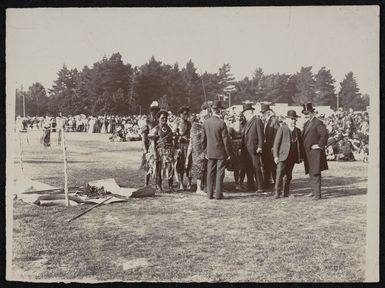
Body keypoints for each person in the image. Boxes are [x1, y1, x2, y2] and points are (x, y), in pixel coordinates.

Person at [202, 100, 232, 200]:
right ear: (219, 110)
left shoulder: (206, 123)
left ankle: (209, 194)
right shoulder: (221, 123)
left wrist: (205, 151)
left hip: (210, 152)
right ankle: (218, 194)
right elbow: (226, 141)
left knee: (210, 173)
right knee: (219, 174)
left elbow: (203, 140)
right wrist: (228, 154)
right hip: (220, 153)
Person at [273, 110, 304, 198]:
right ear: (287, 120)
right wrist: (275, 156)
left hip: (292, 156)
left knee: (288, 175)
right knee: (279, 174)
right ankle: (277, 192)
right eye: (291, 119)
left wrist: (300, 156)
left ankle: (285, 192)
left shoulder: (298, 131)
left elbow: (300, 145)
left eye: (294, 119)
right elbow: (276, 144)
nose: (293, 121)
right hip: (282, 156)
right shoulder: (282, 129)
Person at [301, 103, 328, 200]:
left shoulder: (318, 122)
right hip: (308, 153)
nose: (306, 115)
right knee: (310, 172)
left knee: (316, 173)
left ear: (312, 112)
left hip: (315, 152)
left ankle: (317, 194)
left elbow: (324, 135)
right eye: (304, 113)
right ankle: (313, 191)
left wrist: (319, 145)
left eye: (308, 113)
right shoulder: (307, 123)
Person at [185, 103, 210, 195]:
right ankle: (198, 188)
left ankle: (204, 186)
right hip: (198, 151)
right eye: (204, 117)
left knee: (204, 169)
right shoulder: (196, 126)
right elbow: (194, 142)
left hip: (204, 150)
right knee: (199, 168)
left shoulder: (204, 125)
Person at [149, 110, 175, 193]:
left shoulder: (169, 128)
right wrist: (155, 154)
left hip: (169, 152)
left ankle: (170, 186)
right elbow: (153, 142)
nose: (164, 119)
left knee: (171, 169)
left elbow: (172, 139)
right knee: (159, 169)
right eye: (162, 118)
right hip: (160, 151)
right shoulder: (156, 129)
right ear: (158, 119)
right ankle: (159, 186)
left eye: (166, 118)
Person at [241, 103, 264, 193]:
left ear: (250, 111)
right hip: (246, 149)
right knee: (248, 168)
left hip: (254, 148)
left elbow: (261, 135)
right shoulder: (247, 122)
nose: (244, 114)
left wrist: (260, 146)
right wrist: (241, 148)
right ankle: (250, 186)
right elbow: (244, 136)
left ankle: (260, 186)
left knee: (256, 168)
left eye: (245, 112)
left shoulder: (257, 120)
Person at [140, 101, 160, 187]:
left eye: (156, 111)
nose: (155, 112)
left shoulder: (159, 122)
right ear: (151, 111)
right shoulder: (147, 122)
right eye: (153, 111)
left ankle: (157, 184)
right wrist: (145, 149)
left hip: (158, 146)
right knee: (148, 165)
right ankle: (146, 183)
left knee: (158, 165)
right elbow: (144, 137)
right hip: (149, 146)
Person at [260, 103, 280, 189]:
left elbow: (277, 136)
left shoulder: (274, 121)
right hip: (266, 148)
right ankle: (267, 183)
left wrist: (275, 147)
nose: (262, 114)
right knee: (266, 166)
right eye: (262, 112)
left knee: (273, 167)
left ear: (268, 112)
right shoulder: (265, 121)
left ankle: (277, 184)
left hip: (272, 148)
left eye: (264, 112)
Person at [173, 106, 192, 191]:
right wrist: (178, 137)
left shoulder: (189, 123)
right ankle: (181, 183)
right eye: (184, 114)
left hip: (188, 146)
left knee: (189, 164)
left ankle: (189, 182)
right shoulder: (176, 123)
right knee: (180, 165)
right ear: (180, 114)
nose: (186, 115)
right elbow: (174, 135)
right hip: (180, 146)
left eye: (187, 114)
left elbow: (191, 134)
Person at [228, 111, 247, 191]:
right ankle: (236, 183)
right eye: (238, 116)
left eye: (241, 116)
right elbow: (228, 136)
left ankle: (241, 182)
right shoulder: (232, 126)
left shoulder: (245, 125)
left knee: (243, 167)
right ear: (235, 117)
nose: (240, 118)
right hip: (235, 147)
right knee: (236, 167)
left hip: (243, 146)